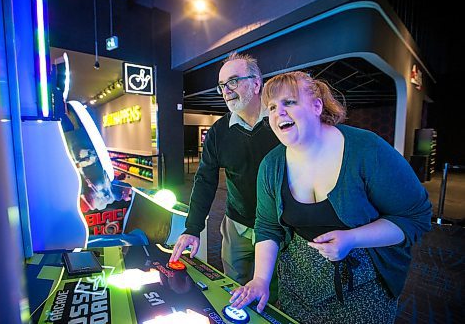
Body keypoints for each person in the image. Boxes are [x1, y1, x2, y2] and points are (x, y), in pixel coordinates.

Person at [229, 71, 432, 323]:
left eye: (289, 102)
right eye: (271, 107)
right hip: (297, 285)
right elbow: (268, 227)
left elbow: (415, 217)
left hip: (364, 286)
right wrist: (260, 279)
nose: (278, 112)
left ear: (316, 106)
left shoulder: (367, 149)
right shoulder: (272, 165)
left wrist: (352, 238)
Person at [169, 53, 280, 288]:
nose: (226, 90)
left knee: (273, 291)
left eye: (233, 81)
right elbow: (205, 180)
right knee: (233, 285)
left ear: (257, 83)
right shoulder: (219, 131)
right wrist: (193, 228)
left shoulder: (281, 123)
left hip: (279, 229)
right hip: (236, 225)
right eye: (222, 85)